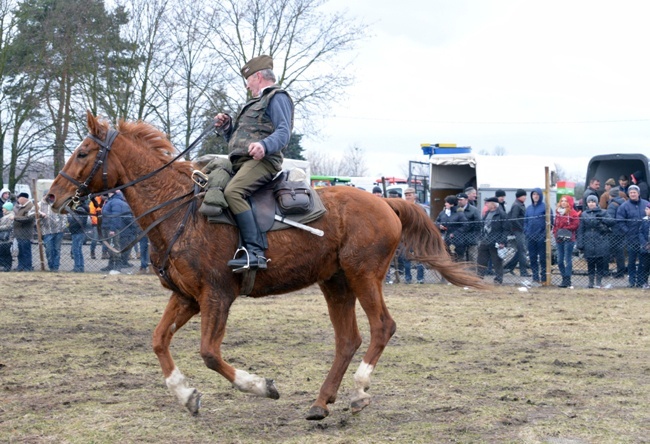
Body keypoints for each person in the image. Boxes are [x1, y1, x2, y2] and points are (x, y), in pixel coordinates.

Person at [214, 54, 294, 272]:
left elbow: (284, 131)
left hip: (264, 161)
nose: (247, 85)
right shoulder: (254, 103)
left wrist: (265, 146)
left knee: (233, 192)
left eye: (248, 79)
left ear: (258, 76)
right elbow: (240, 141)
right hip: (242, 162)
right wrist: (227, 129)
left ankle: (255, 252)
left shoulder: (277, 97)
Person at [616, 184, 650, 288]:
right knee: (631, 260)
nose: (632, 194)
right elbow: (620, 221)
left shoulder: (646, 204)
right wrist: (627, 232)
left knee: (643, 261)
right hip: (631, 238)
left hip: (644, 239)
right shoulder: (624, 206)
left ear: (638, 193)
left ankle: (641, 281)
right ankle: (631, 281)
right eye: (631, 192)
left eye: (634, 192)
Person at [578, 195, 614, 288]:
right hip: (588, 240)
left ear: (597, 203)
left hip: (601, 240)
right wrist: (580, 243)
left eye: (593, 201)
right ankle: (590, 282)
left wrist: (602, 218)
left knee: (600, 262)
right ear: (587, 203)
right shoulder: (584, 214)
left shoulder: (603, 212)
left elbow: (612, 221)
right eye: (589, 202)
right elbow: (581, 229)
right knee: (590, 262)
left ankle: (598, 282)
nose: (591, 203)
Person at [101, 191, 136, 272]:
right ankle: (111, 265)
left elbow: (115, 216)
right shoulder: (111, 201)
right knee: (111, 247)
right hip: (108, 227)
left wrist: (113, 229)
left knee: (115, 247)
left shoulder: (115, 202)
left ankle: (117, 265)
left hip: (112, 228)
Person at [524, 188, 553, 283]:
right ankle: (535, 277)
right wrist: (526, 232)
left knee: (543, 258)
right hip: (530, 237)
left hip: (541, 237)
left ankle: (544, 277)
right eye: (533, 194)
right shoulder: (528, 208)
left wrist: (544, 234)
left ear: (540, 196)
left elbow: (550, 222)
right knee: (532, 257)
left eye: (537, 194)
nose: (535, 196)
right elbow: (525, 221)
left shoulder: (545, 207)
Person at [477, 197, 508, 284]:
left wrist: (502, 241)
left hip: (496, 241)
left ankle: (498, 279)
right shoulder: (487, 213)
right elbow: (482, 225)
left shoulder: (502, 214)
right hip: (485, 240)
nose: (486, 204)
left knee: (497, 261)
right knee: (481, 260)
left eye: (488, 202)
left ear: (494, 204)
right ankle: (479, 277)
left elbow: (506, 229)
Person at [553, 195, 580, 288]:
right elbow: (555, 225)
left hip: (569, 239)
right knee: (559, 260)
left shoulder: (573, 213)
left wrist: (564, 229)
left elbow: (575, 225)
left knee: (567, 259)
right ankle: (564, 277)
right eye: (562, 201)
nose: (563, 202)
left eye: (565, 201)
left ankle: (567, 279)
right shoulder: (558, 213)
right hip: (559, 239)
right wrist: (556, 233)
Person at [401, 187, 426, 283]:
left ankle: (420, 278)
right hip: (406, 237)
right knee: (406, 258)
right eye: (406, 195)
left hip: (418, 237)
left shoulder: (420, 208)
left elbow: (424, 222)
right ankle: (408, 278)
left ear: (414, 196)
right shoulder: (403, 207)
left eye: (409, 195)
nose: (407, 197)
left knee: (420, 257)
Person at [504, 189, 530, 277]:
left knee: (520, 250)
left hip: (520, 230)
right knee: (522, 250)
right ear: (519, 196)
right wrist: (522, 228)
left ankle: (508, 267)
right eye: (524, 196)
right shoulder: (517, 205)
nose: (525, 197)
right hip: (518, 231)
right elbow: (513, 218)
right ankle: (523, 272)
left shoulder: (519, 204)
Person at [38, 198, 68, 272]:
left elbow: (64, 216)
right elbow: (32, 213)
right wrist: (40, 214)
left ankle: (55, 267)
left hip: (59, 231)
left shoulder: (59, 204)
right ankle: (51, 265)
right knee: (49, 250)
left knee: (57, 249)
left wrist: (63, 227)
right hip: (47, 231)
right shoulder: (40, 205)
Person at [435, 195, 467, 260]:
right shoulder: (442, 213)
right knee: (446, 258)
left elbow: (465, 225)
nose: (445, 204)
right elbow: (437, 221)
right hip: (445, 239)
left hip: (457, 241)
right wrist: (439, 226)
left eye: (447, 202)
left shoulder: (459, 213)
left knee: (457, 259)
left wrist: (455, 233)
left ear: (452, 204)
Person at [605, 186, 627, 278]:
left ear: (610, 195)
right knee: (620, 253)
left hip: (613, 232)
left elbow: (609, 219)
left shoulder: (612, 205)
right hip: (622, 231)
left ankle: (604, 271)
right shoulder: (624, 203)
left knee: (606, 251)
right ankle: (621, 272)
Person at [455, 192, 481, 264]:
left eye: (461, 200)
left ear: (466, 200)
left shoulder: (474, 210)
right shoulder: (455, 209)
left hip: (471, 237)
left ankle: (472, 274)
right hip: (459, 238)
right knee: (460, 258)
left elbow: (478, 224)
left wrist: (473, 234)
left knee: (472, 258)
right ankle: (461, 274)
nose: (459, 201)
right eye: (458, 200)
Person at [13, 192, 34, 271]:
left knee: (26, 251)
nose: (17, 200)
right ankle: (21, 266)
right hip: (19, 233)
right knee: (21, 251)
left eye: (18, 198)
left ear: (23, 198)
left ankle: (28, 267)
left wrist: (15, 218)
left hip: (25, 233)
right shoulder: (21, 206)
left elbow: (29, 218)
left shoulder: (31, 206)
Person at [67, 198, 90, 273]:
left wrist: (70, 223)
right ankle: (80, 266)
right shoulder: (83, 208)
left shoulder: (80, 209)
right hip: (79, 232)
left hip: (77, 232)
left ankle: (77, 267)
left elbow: (78, 221)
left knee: (76, 250)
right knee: (78, 250)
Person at [89, 195, 107, 260]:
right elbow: (92, 214)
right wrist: (99, 222)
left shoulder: (106, 201)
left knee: (105, 240)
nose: (105, 196)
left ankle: (104, 253)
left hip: (104, 224)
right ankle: (92, 251)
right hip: (97, 224)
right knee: (95, 239)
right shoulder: (94, 202)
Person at [638, 202, 650, 288]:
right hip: (646, 246)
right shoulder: (644, 220)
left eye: (647, 209)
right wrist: (645, 243)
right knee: (645, 266)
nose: (645, 210)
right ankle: (645, 282)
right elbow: (640, 232)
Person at [0, 201, 14, 271]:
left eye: (4, 208)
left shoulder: (10, 216)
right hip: (4, 237)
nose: (2, 209)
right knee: (5, 252)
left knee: (5, 252)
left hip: (7, 237)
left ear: (8, 208)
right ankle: (6, 266)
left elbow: (9, 226)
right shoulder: (6, 216)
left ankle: (7, 266)